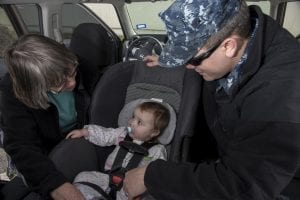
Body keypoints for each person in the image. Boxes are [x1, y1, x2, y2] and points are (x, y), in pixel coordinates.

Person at [123, 0, 300, 200]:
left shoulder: (282, 91)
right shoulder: (240, 38)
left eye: (192, 60)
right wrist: (169, 60)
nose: (188, 66)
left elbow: (243, 186)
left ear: (229, 46)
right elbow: (205, 51)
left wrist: (151, 176)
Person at [0, 34, 103, 199]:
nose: (73, 83)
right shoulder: (13, 90)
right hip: (47, 151)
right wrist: (55, 184)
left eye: (72, 72)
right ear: (36, 87)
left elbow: (101, 107)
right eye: (60, 83)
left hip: (84, 137)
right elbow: (21, 145)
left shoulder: (78, 64)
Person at [66, 101, 170, 200]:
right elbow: (106, 134)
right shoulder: (122, 134)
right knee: (83, 176)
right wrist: (86, 132)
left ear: (154, 132)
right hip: (107, 178)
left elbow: (157, 173)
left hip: (130, 188)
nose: (132, 123)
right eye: (133, 117)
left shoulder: (156, 150)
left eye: (139, 122)